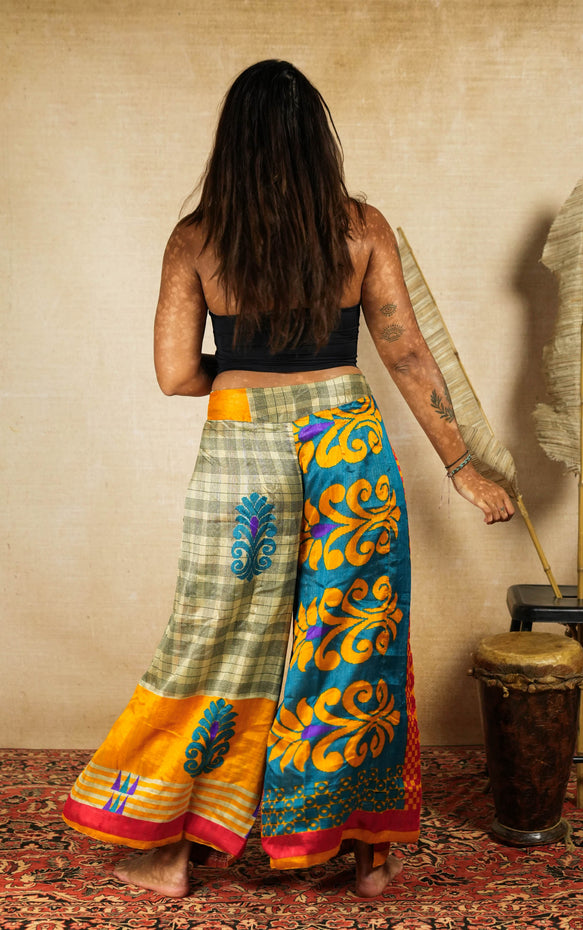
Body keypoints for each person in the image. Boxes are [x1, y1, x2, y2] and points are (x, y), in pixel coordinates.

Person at [62, 59, 514, 899]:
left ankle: (172, 853)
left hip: (245, 455)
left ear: (231, 143)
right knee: (353, 641)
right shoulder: (361, 228)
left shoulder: (196, 239)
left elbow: (173, 373)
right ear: (318, 140)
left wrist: (243, 371)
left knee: (219, 642)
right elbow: (407, 355)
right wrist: (462, 466)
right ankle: (368, 853)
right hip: (347, 445)